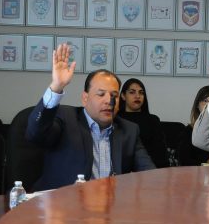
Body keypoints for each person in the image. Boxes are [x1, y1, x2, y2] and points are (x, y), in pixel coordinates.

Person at [26, 43, 155, 190]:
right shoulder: (66, 118)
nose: (109, 101)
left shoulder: (129, 130)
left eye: (114, 95)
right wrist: (57, 86)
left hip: (112, 202)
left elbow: (149, 172)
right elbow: (35, 133)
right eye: (101, 94)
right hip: (65, 201)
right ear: (85, 98)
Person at [117, 77, 168, 168]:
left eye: (141, 93)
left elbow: (160, 154)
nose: (137, 96)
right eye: (132, 92)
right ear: (123, 96)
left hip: (149, 169)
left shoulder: (152, 120)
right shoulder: (116, 119)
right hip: (121, 170)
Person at [177, 85, 209, 166]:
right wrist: (205, 163)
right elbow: (183, 160)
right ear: (197, 105)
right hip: (197, 171)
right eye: (205, 101)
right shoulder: (189, 131)